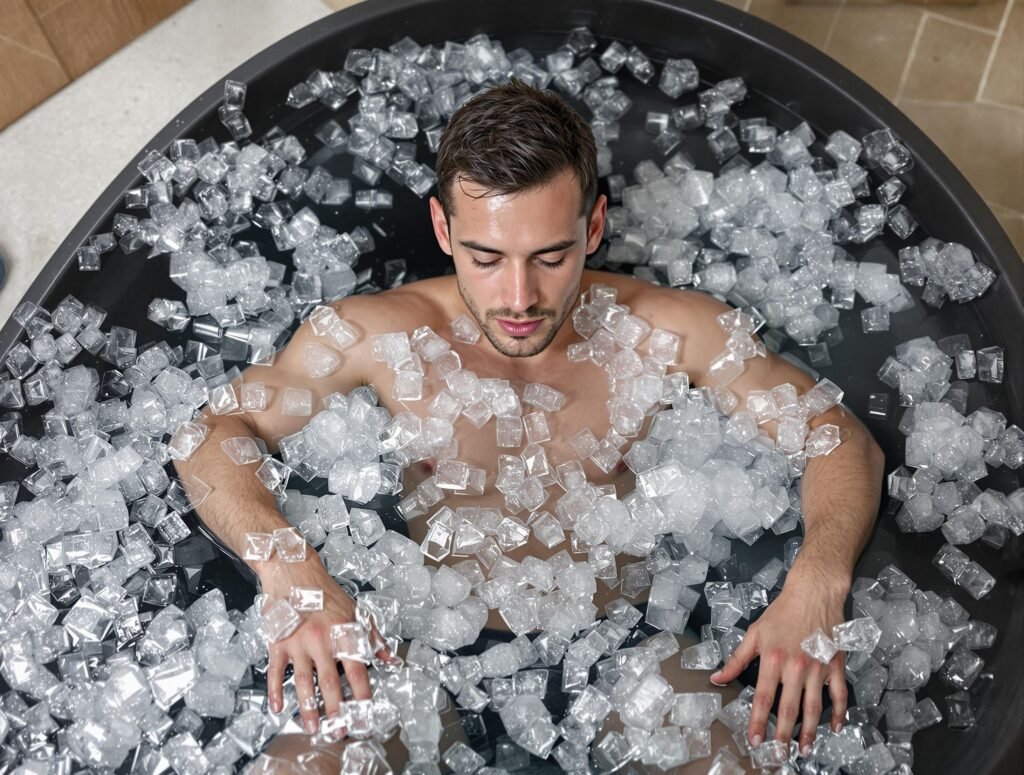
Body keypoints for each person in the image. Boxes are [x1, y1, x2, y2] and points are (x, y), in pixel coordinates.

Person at [175, 79, 885, 772]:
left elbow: (837, 435)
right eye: (486, 258)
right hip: (418, 649)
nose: (519, 296)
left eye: (551, 256)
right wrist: (291, 571)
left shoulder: (670, 330)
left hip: (622, 647)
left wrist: (817, 583)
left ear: (595, 228)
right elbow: (213, 432)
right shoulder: (376, 334)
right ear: (442, 229)